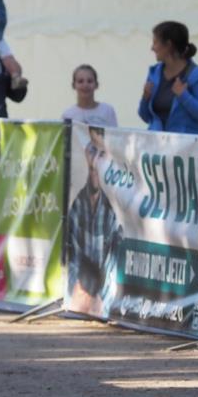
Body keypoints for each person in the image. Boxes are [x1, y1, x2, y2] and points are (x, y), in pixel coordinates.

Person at [66, 127, 122, 316]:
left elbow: (112, 270)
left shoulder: (113, 214)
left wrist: (99, 301)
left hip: (99, 305)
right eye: (92, 150)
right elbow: (71, 261)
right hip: (78, 299)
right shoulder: (76, 205)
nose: (95, 160)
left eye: (102, 153)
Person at [138, 21, 198, 134]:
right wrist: (145, 98)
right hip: (155, 142)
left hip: (187, 143)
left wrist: (184, 96)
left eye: (155, 42)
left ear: (168, 45)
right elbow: (145, 117)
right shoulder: (154, 73)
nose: (152, 48)